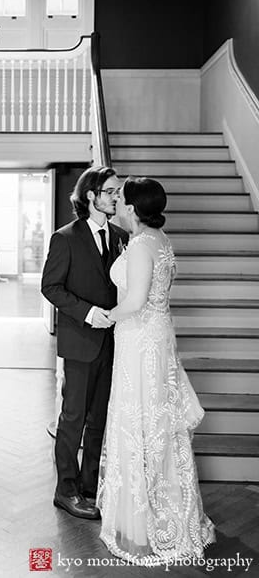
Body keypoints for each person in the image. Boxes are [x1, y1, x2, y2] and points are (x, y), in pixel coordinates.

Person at [97, 176, 215, 564]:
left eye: (122, 198)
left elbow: (135, 300)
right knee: (158, 424)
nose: (117, 202)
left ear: (132, 208)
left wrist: (106, 317)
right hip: (156, 335)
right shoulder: (161, 241)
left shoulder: (141, 244)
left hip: (141, 341)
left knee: (142, 423)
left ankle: (142, 528)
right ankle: (163, 513)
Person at [41, 166, 128, 520]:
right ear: (91, 195)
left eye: (117, 193)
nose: (116, 198)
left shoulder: (122, 235)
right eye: (110, 192)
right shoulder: (65, 237)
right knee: (73, 418)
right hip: (80, 341)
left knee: (100, 420)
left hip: (115, 343)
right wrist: (89, 313)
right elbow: (50, 287)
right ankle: (66, 490)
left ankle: (91, 487)